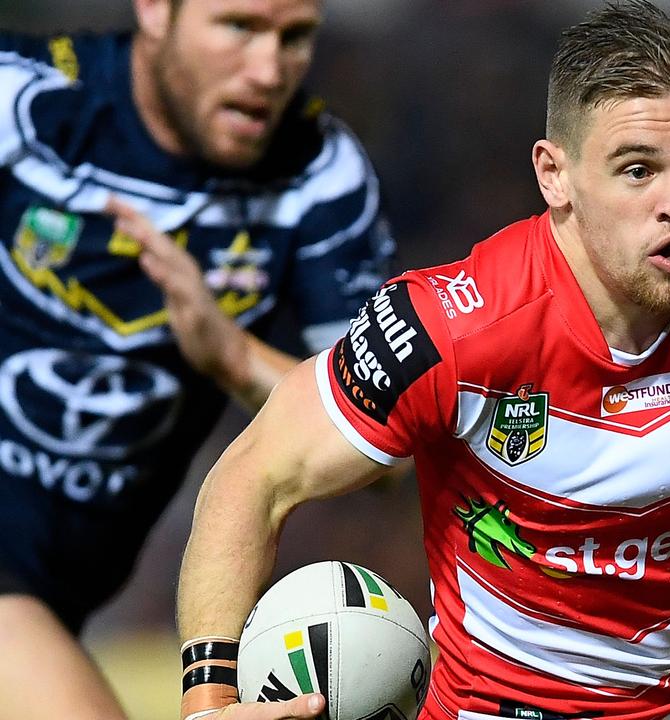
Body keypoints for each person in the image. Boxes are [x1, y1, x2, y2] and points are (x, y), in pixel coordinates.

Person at [174, 2, 670, 719]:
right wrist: (207, 705)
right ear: (556, 177)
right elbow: (251, 479)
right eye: (638, 170)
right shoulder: (451, 327)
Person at [0, 0, 394, 717]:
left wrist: (231, 355)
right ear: (155, 9)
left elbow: (385, 451)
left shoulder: (318, 175)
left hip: (62, 591)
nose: (269, 70)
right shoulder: (25, 98)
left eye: (295, 37)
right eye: (239, 26)